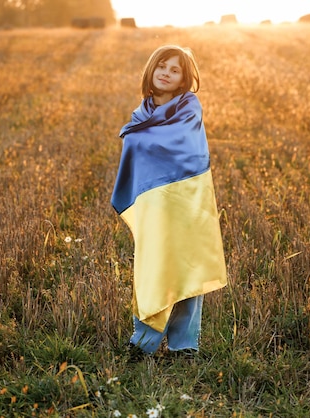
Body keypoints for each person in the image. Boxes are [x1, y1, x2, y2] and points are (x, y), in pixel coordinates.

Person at [111, 45, 227, 360]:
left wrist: (139, 139)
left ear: (183, 79)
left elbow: (182, 147)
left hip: (187, 200)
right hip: (155, 204)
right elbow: (141, 149)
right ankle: (142, 342)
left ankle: (184, 345)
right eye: (162, 66)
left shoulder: (189, 107)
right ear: (151, 69)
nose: (166, 73)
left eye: (174, 70)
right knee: (154, 267)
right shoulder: (143, 112)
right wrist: (139, 139)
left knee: (187, 269)